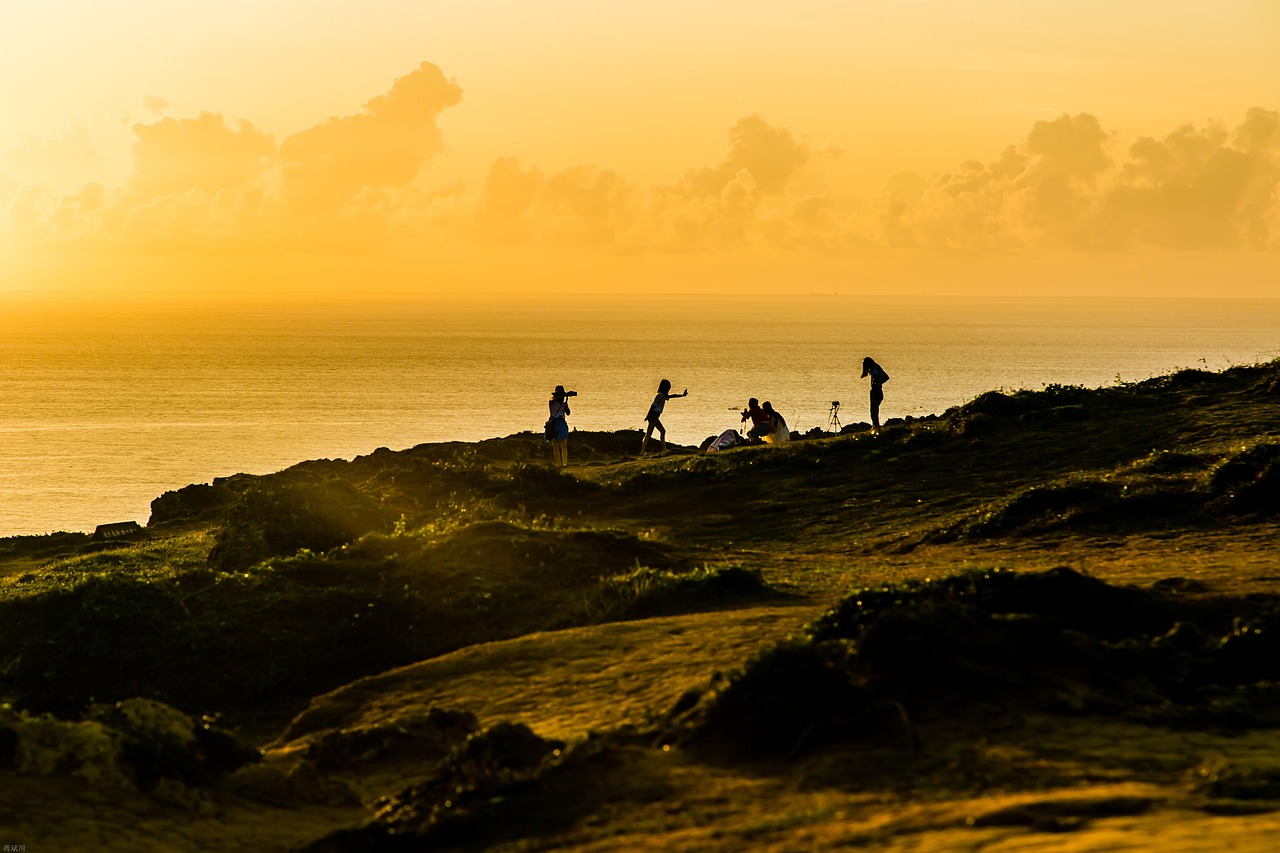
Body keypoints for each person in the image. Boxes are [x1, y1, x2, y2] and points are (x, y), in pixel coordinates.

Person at [641, 379, 688, 455]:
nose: (668, 389)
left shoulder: (663, 396)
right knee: (660, 431)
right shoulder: (659, 396)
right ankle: (663, 449)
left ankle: (644, 451)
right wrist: (648, 416)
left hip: (655, 416)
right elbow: (653, 406)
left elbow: (672, 396)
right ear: (664, 387)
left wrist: (682, 395)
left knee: (650, 433)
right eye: (668, 387)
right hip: (654, 416)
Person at [860, 357, 890, 433]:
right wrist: (879, 383)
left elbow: (878, 377)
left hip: (876, 391)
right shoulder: (877, 368)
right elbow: (886, 377)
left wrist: (876, 384)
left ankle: (876, 427)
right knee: (874, 410)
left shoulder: (875, 369)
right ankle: (876, 426)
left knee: (873, 410)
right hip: (878, 390)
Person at [548, 385, 572, 466]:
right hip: (554, 424)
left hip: (561, 423)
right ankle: (559, 464)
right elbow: (555, 401)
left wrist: (566, 402)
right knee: (555, 447)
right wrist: (563, 396)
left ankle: (565, 463)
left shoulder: (564, 404)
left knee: (563, 446)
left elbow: (568, 413)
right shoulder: (551, 402)